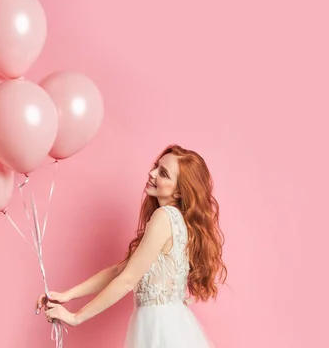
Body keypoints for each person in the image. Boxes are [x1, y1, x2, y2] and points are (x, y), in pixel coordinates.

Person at [36, 144, 227, 347]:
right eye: (156, 166)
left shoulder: (164, 217)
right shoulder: (176, 219)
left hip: (160, 328)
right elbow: (121, 269)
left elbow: (127, 279)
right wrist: (67, 295)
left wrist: (76, 317)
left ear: (179, 191)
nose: (151, 173)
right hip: (169, 323)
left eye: (162, 173)